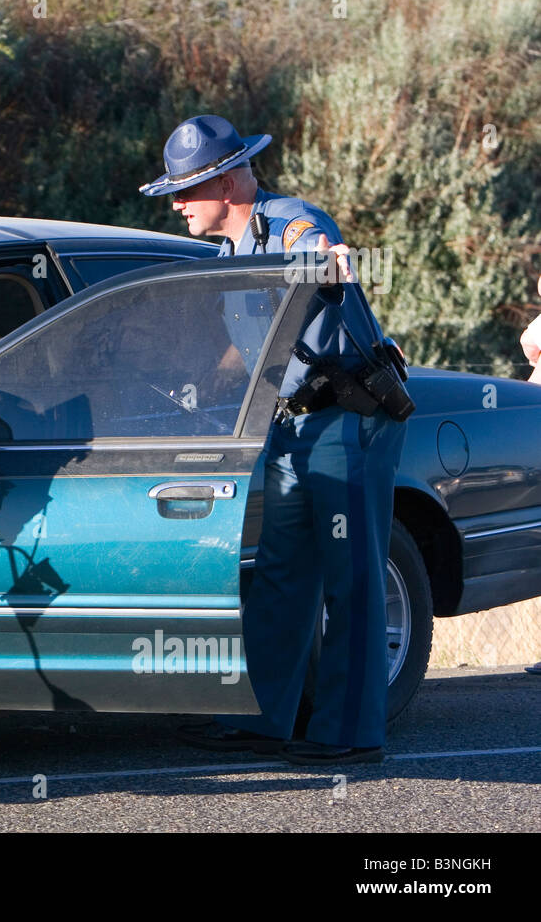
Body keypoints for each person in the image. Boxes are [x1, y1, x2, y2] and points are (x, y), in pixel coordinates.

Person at [141, 114, 408, 764]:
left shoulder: (291, 223)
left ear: (228, 184)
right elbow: (251, 345)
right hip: (292, 423)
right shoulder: (229, 256)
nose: (176, 204)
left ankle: (350, 733)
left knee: (352, 577)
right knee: (283, 574)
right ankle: (259, 721)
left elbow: (324, 257)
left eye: (187, 190)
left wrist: (329, 263)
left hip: (348, 417)